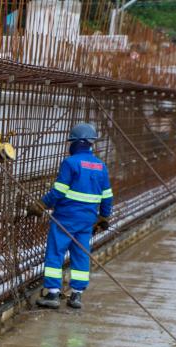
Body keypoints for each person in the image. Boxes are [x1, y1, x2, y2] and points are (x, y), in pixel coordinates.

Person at [27, 123, 113, 310]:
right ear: (90, 143)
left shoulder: (70, 163)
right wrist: (104, 217)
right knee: (81, 254)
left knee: (55, 253)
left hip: (66, 218)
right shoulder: (101, 166)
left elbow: (59, 191)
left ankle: (52, 294)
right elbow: (107, 196)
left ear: (76, 142)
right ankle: (76, 295)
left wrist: (41, 204)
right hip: (87, 220)